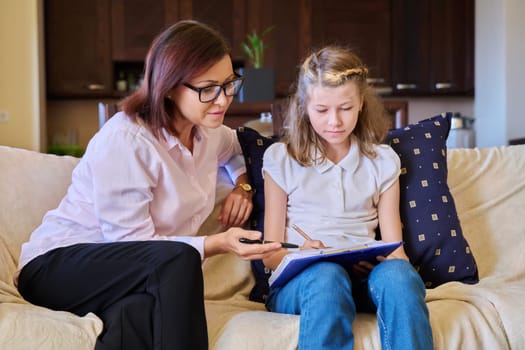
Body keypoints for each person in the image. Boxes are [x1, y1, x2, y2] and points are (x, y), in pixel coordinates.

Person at [15, 20, 281, 350]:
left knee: (137, 313)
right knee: (177, 259)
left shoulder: (208, 130)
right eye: (207, 88)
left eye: (229, 84)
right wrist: (219, 243)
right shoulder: (127, 139)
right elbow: (132, 244)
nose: (223, 100)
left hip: (128, 276)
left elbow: (237, 149)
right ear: (169, 86)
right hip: (56, 267)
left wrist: (243, 186)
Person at [262, 46, 434, 349]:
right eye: (322, 110)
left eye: (345, 108)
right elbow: (269, 252)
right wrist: (302, 254)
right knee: (326, 276)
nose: (335, 122)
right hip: (304, 284)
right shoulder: (281, 159)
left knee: (399, 276)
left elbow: (396, 249)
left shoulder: (382, 161)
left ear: (361, 104)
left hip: (363, 280)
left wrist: (384, 260)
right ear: (304, 106)